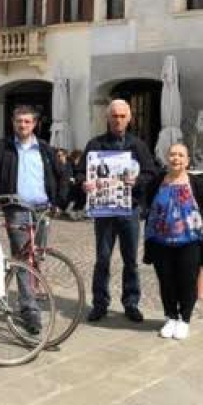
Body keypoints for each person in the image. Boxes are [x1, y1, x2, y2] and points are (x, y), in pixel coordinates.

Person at [0, 105, 67, 334]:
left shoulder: (46, 149)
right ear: (12, 122)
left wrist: (59, 202)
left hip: (42, 210)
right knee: (23, 259)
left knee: (37, 257)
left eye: (27, 121)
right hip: (16, 208)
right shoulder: (2, 147)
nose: (22, 125)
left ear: (35, 124)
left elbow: (62, 175)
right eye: (19, 121)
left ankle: (32, 295)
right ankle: (29, 310)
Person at [81, 98, 158, 323]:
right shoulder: (95, 144)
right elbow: (79, 172)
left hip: (129, 210)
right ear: (107, 118)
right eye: (114, 116)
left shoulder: (138, 145)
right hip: (104, 211)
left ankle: (131, 303)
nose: (118, 120)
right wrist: (84, 183)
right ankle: (100, 303)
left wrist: (137, 180)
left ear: (129, 118)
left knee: (131, 260)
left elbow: (151, 173)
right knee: (102, 259)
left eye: (122, 116)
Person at [139, 142, 203, 339]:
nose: (176, 158)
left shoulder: (198, 185)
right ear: (167, 158)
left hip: (190, 243)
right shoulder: (157, 182)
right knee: (166, 280)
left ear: (187, 161)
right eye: (172, 155)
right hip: (161, 242)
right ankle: (171, 316)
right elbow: (147, 202)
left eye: (180, 155)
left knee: (187, 281)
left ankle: (184, 319)